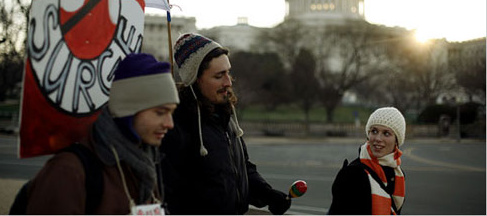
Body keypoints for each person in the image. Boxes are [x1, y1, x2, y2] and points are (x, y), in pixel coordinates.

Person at [25, 53, 179, 214]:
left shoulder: (145, 163)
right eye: (160, 112)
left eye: (172, 113)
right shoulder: (69, 171)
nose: (170, 124)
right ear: (128, 110)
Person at [160, 33, 292, 215]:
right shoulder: (176, 125)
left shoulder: (225, 116)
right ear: (195, 79)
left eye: (228, 72)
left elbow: (242, 167)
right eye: (219, 76)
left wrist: (266, 194)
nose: (228, 82)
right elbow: (169, 194)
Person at [328, 107, 406, 215]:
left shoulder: (398, 175)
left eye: (386, 133)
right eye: (374, 131)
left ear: (397, 141)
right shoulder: (352, 174)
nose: (378, 138)